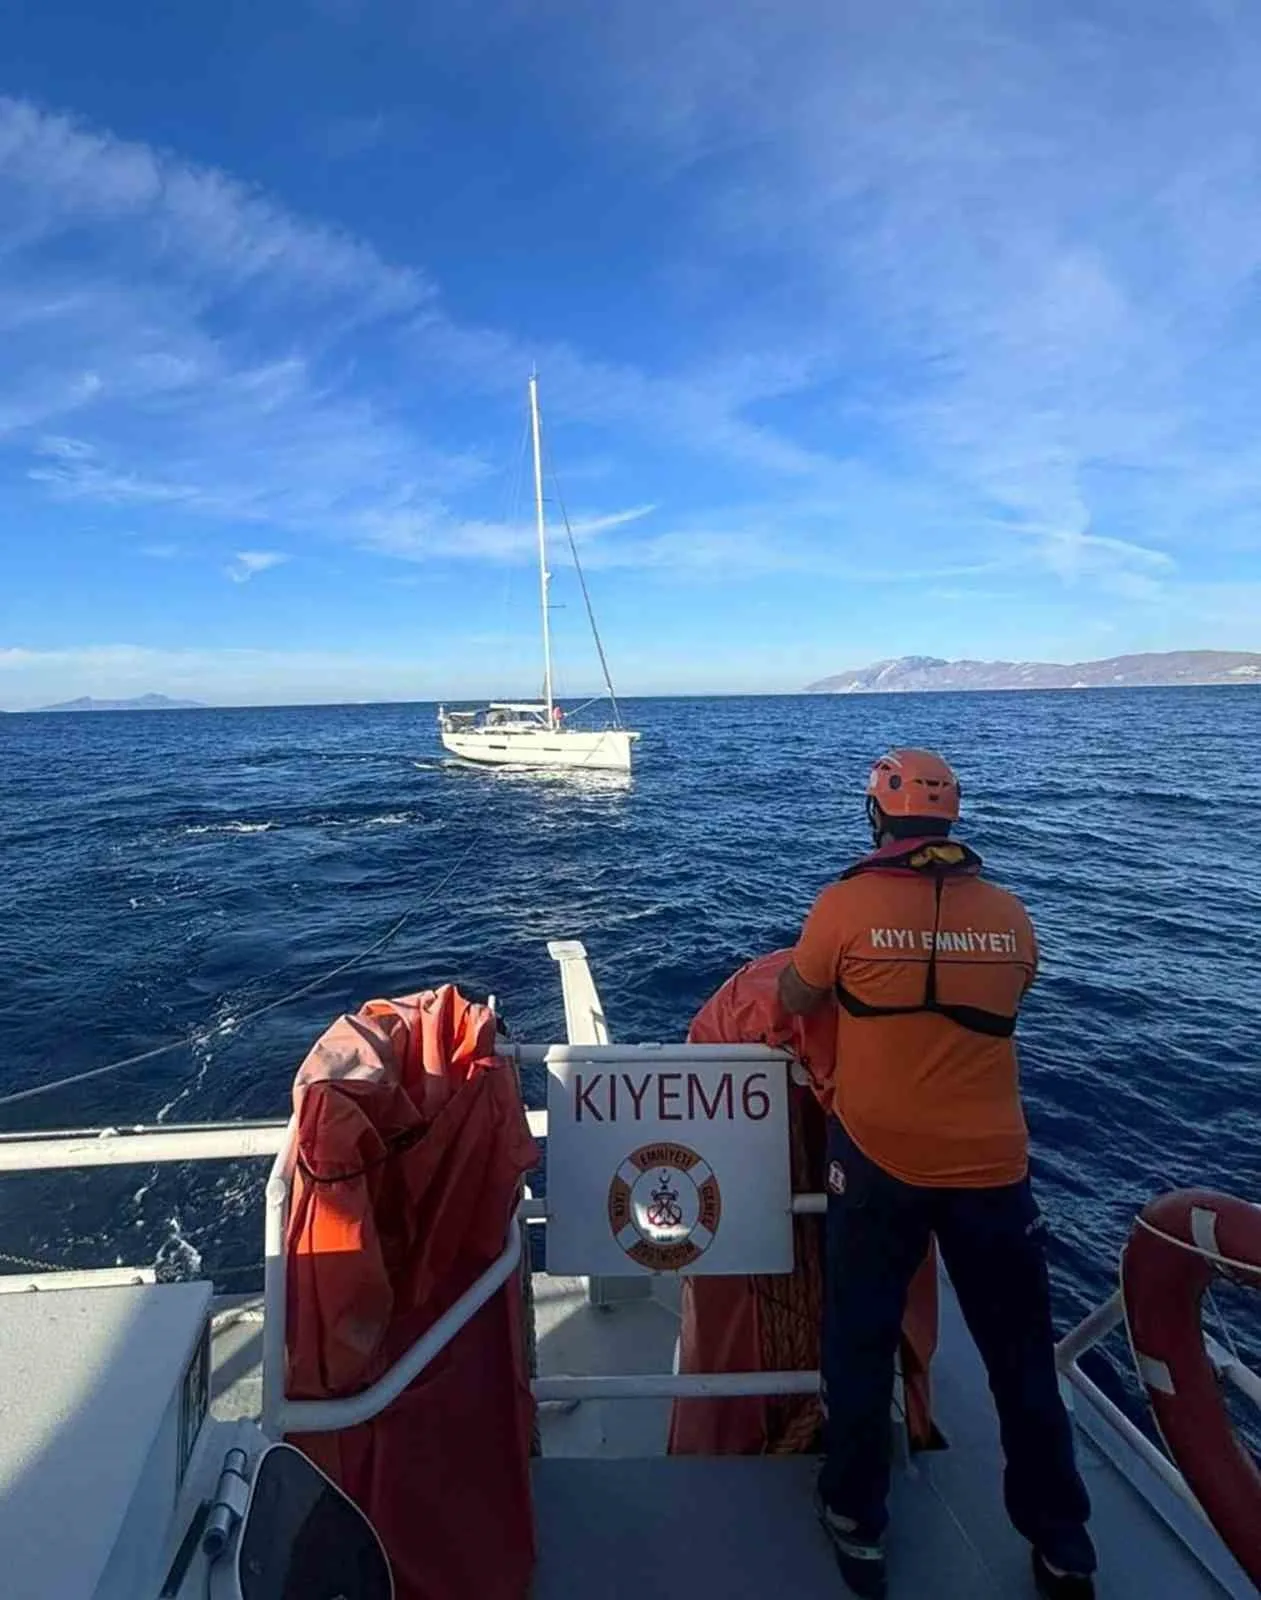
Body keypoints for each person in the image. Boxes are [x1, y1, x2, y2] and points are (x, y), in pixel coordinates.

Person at [778, 748, 1096, 1600]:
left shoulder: (844, 905)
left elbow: (795, 996)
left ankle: (856, 1521)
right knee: (1020, 1359)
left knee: (859, 1338)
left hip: (876, 1159)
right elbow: (1013, 996)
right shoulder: (1009, 914)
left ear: (877, 817)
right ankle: (1062, 1546)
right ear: (949, 819)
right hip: (993, 1167)